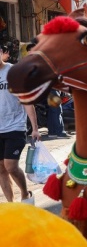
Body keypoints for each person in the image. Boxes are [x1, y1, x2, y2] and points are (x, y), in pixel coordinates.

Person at [0, 43, 40, 203]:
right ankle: (11, 204)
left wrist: (35, 128)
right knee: (1, 169)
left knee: (10, 165)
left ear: (2, 53)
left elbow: (27, 101)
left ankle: (25, 193)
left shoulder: (13, 72)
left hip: (15, 127)